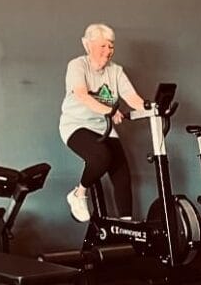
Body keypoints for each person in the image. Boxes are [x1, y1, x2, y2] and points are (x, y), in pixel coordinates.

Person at [58, 23, 146, 223]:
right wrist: (110, 110)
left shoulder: (116, 71)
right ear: (88, 45)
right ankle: (78, 195)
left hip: (103, 126)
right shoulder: (77, 65)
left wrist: (152, 108)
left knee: (122, 173)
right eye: (103, 46)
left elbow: (132, 97)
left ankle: (127, 226)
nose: (108, 51)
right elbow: (82, 95)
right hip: (76, 125)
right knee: (101, 157)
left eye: (111, 46)